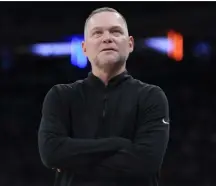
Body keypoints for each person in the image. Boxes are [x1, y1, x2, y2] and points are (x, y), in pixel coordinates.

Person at [38, 7, 170, 186]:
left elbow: (146, 163)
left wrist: (72, 161)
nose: (107, 38)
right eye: (97, 33)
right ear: (84, 47)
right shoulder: (61, 96)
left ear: (130, 44)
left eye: (116, 32)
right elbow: (51, 153)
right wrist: (119, 144)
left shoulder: (151, 96)